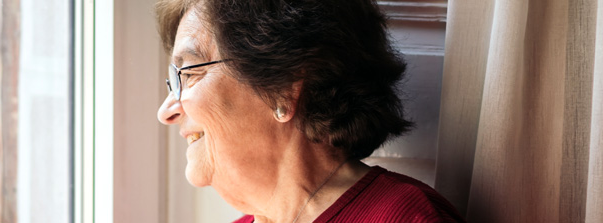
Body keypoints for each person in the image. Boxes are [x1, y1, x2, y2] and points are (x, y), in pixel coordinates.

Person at [154, 0, 466, 222]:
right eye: (172, 82)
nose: (165, 111)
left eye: (190, 74)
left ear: (283, 88)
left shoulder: (403, 217)